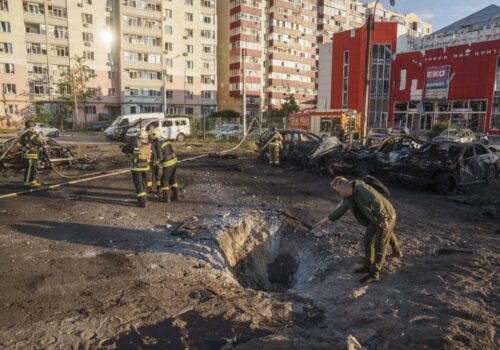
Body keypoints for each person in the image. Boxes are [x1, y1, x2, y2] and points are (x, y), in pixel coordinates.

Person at [317, 176, 402, 284]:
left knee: (380, 244)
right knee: (367, 239)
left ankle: (375, 274)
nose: (339, 194)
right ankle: (368, 265)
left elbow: (377, 203)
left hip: (386, 217)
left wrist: (383, 220)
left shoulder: (362, 190)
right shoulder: (350, 195)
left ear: (344, 189)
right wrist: (328, 219)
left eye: (339, 192)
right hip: (375, 218)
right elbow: (342, 208)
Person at [121, 130, 152, 207]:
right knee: (144, 184)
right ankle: (144, 199)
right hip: (146, 168)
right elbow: (153, 155)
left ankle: (142, 202)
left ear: (137, 136)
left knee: (139, 185)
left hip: (137, 168)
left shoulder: (134, 143)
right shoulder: (150, 144)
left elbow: (124, 150)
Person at [19, 120, 43, 188]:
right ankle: (27, 183)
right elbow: (37, 142)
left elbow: (22, 143)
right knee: (30, 169)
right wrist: (40, 140)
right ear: (31, 126)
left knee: (33, 168)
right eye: (33, 126)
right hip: (31, 154)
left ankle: (33, 181)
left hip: (29, 154)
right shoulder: (30, 133)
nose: (34, 128)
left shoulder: (24, 133)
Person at [159, 138, 178, 203]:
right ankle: (175, 196)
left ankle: (166, 198)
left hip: (167, 163)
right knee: (173, 179)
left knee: (164, 180)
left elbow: (160, 156)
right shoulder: (166, 141)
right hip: (174, 161)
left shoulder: (158, 144)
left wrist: (156, 161)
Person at [147, 128, 162, 193]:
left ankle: (149, 189)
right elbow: (160, 155)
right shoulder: (158, 142)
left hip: (151, 161)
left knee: (150, 175)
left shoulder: (149, 142)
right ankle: (158, 189)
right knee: (158, 175)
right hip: (156, 162)